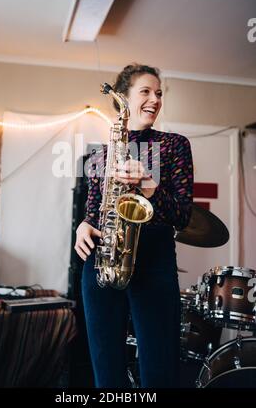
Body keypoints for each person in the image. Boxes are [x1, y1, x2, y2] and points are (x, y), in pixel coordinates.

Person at [75, 64, 193, 388]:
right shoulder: (100, 155)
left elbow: (183, 215)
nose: (155, 99)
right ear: (124, 98)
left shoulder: (175, 144)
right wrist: (83, 227)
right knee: (105, 370)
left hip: (154, 260)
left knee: (159, 369)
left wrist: (151, 188)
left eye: (159, 93)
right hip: (102, 259)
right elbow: (92, 211)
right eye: (146, 91)